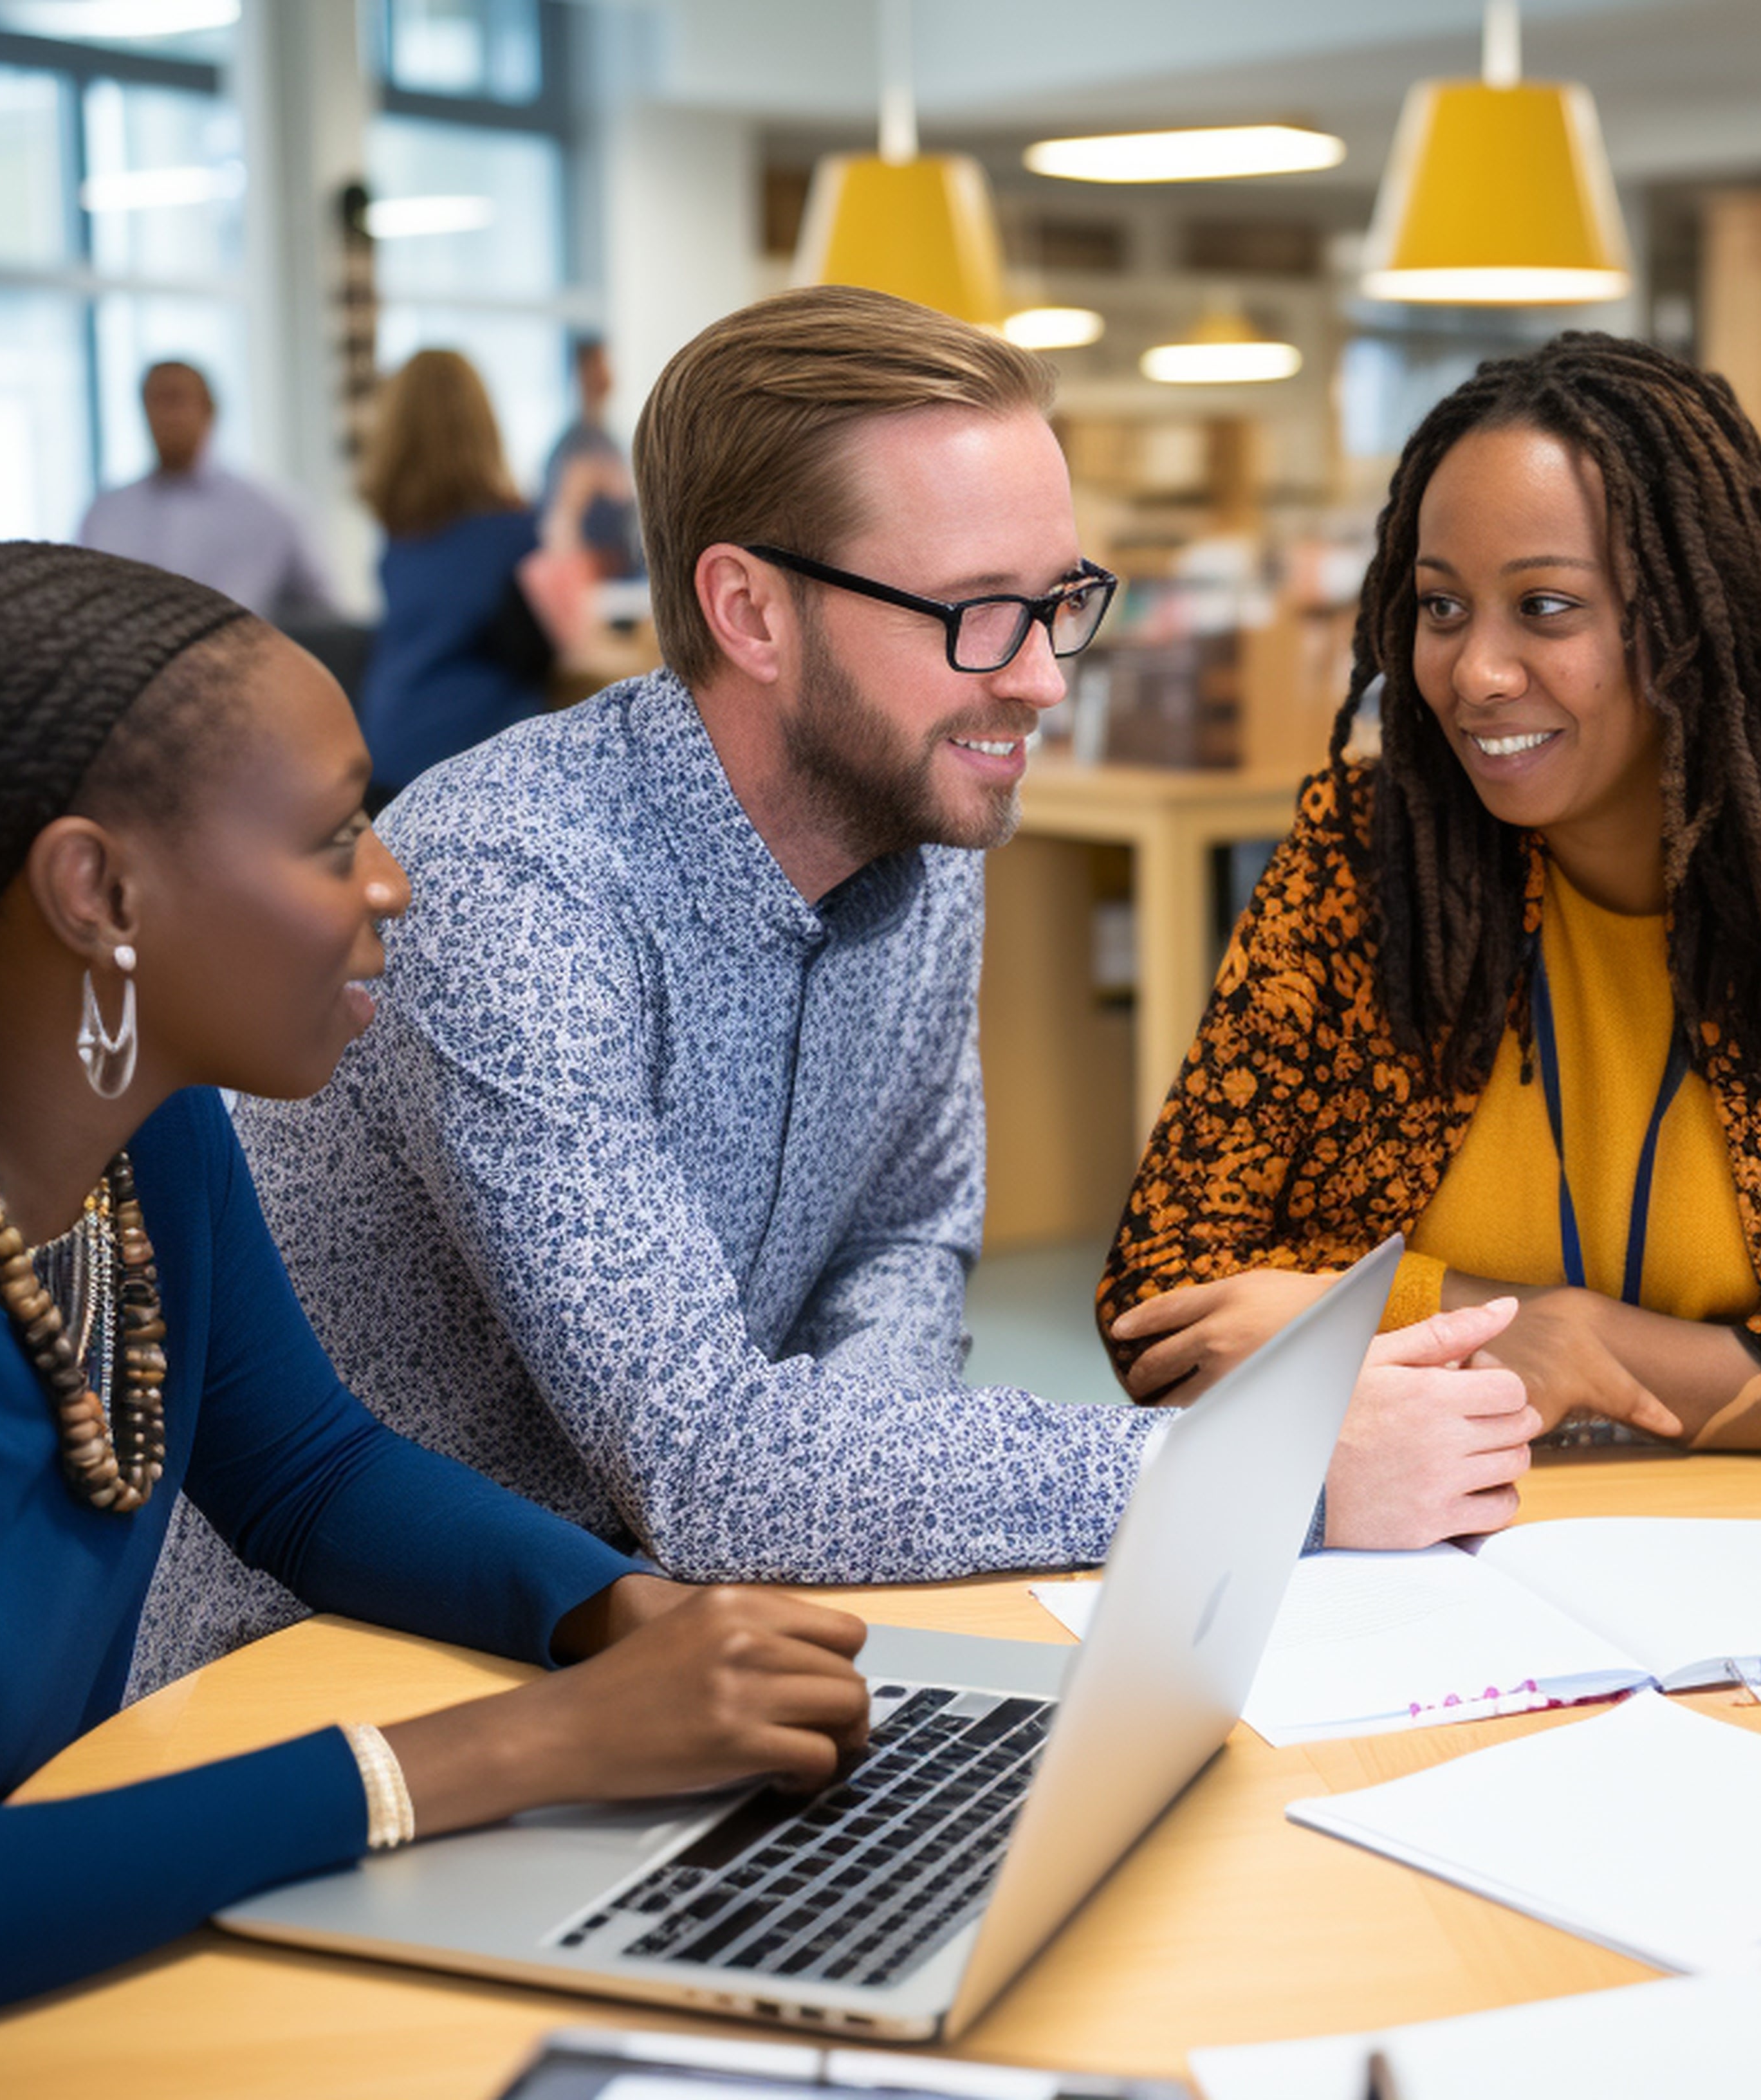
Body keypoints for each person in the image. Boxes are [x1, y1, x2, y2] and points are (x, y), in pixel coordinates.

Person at [0, 541, 879, 2099]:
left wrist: (616, 1613)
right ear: (96, 890)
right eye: (330, 838)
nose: (393, 881)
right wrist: (531, 1748)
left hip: (3, 2004)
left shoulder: (133, 1120)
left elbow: (308, 1471)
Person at [133, 287, 1532, 1691]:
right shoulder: (514, 885)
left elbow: (907, 1239)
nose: (1042, 677)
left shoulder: (923, 813)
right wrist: (1260, 1474)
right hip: (337, 1663)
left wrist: (843, 1497)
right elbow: (707, 1458)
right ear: (747, 609)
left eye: (1058, 602)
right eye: (981, 613)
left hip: (683, 1633)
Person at [1100, 333, 1761, 1456]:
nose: (1475, 673)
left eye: (1546, 607)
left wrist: (1546, 1335)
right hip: (1409, 1551)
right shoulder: (1361, 861)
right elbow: (1163, 1297)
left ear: (1693, 618)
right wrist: (1520, 1339)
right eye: (1441, 607)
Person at [353, 348, 563, 800]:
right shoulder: (516, 535)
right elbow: (551, 651)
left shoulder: (398, 539)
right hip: (474, 768)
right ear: (481, 426)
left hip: (385, 754)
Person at [73, 360, 343, 624]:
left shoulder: (273, 510)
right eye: (154, 402)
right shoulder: (107, 513)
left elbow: (324, 618)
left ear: (210, 410)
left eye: (176, 400)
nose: (165, 416)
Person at [539, 334, 644, 584]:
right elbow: (560, 527)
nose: (608, 372)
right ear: (583, 372)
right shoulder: (576, 445)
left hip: (621, 575)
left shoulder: (607, 440)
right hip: (595, 581)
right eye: (601, 363)